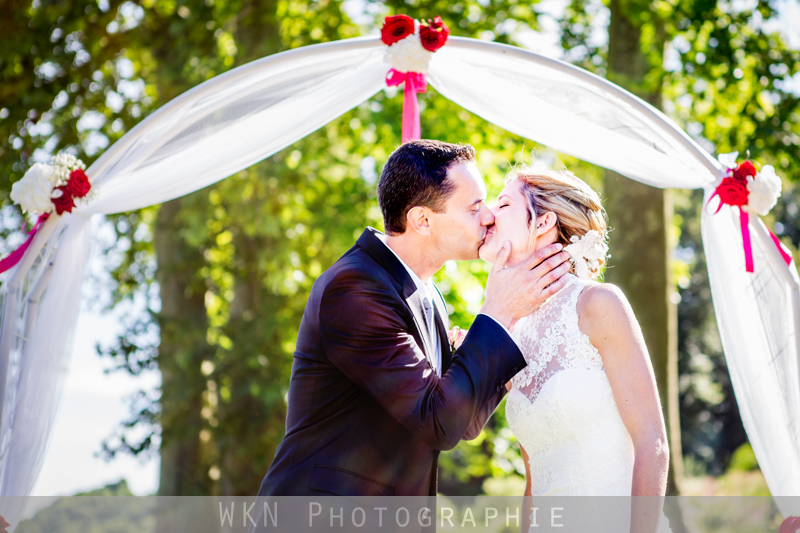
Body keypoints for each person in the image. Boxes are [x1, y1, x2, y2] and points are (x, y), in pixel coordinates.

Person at [257, 140, 571, 496]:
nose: (489, 217)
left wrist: (506, 328)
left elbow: (462, 423)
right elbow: (439, 422)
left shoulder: (429, 293)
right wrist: (496, 311)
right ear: (422, 220)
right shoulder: (353, 290)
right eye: (474, 207)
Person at [478, 164, 670, 532]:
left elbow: (652, 440)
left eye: (503, 205)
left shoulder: (596, 304)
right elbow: (533, 482)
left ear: (543, 222)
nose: (488, 215)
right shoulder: (511, 332)